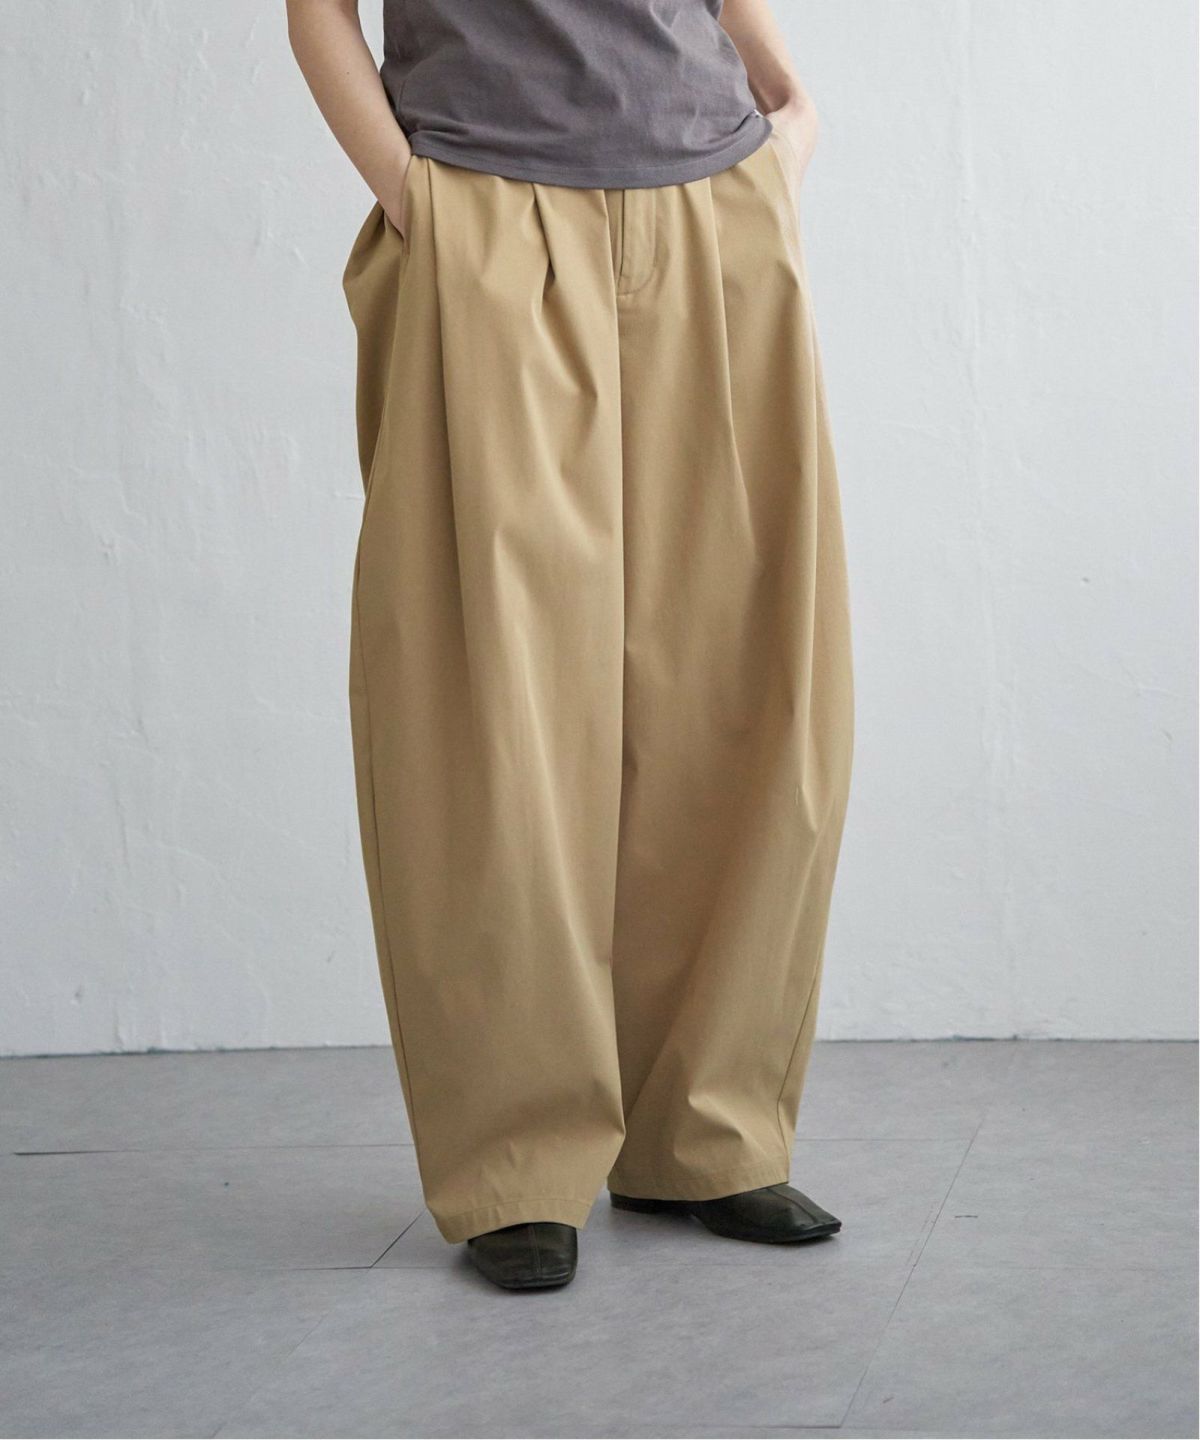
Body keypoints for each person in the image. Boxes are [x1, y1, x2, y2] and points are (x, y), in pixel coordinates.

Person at [287, 0, 854, 1291]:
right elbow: (315, 12)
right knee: (492, 705)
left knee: (742, 682)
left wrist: (788, 116)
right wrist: (416, 199)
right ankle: (517, 1157)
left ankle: (706, 1135)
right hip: (485, 207)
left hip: (716, 199)